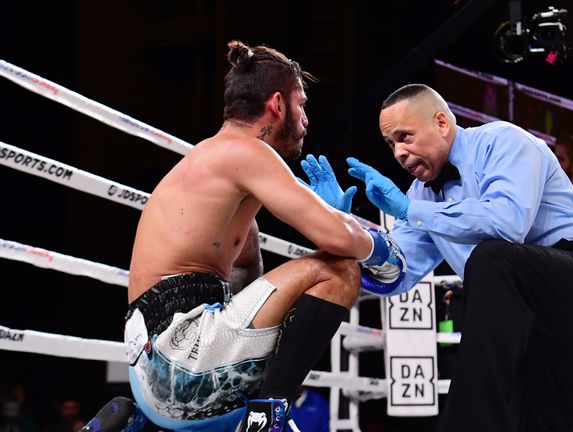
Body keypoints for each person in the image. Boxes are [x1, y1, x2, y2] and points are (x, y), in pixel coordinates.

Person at [307, 83, 573, 431]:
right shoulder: (422, 196)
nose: (398, 152)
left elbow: (508, 223)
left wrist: (410, 211)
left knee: (491, 259)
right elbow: (397, 273)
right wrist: (347, 230)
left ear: (441, 122)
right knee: (547, 426)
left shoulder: (502, 141)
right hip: (525, 309)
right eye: (389, 143)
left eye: (405, 137)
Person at [118, 40, 405, 432]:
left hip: (160, 372)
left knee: (294, 320)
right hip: (180, 358)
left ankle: (144, 425)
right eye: (301, 104)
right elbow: (340, 242)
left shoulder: (223, 185)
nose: (306, 118)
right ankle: (267, 417)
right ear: (277, 104)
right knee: (339, 271)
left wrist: (338, 222)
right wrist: (383, 249)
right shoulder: (245, 151)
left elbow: (253, 294)